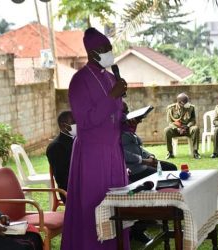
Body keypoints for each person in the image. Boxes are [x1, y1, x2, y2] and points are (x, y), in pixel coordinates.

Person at [61, 28, 129, 250]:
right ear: (92, 52)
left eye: (110, 48)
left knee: (117, 208)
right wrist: (112, 97)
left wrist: (126, 121)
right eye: (105, 49)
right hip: (92, 154)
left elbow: (112, 116)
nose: (110, 53)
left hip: (113, 152)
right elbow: (86, 120)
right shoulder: (79, 81)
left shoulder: (111, 78)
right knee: (95, 206)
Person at [122, 102, 177, 243]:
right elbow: (124, 153)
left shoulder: (127, 127)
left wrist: (150, 156)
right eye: (124, 110)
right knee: (158, 181)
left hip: (143, 164)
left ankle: (164, 211)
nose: (127, 113)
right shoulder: (116, 130)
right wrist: (144, 160)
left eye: (127, 110)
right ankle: (141, 226)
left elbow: (138, 147)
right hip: (134, 169)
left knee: (170, 167)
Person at [46, 110, 75, 202]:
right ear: (63, 125)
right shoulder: (56, 147)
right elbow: (62, 178)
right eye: (74, 122)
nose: (78, 124)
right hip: (70, 191)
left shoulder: (77, 140)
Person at [164, 93, 201, 159]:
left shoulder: (191, 108)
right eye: (185, 102)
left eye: (187, 101)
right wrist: (177, 129)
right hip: (176, 130)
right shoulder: (171, 108)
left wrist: (187, 126)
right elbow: (170, 122)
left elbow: (193, 120)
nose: (187, 103)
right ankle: (170, 152)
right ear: (180, 102)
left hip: (187, 129)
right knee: (167, 130)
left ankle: (195, 152)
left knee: (195, 128)